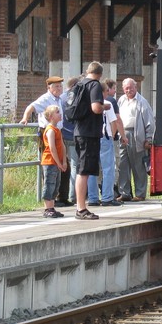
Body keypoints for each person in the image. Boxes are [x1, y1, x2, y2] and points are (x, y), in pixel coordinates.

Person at [19, 76, 70, 207]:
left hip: (58, 131)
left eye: (60, 86)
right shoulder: (45, 98)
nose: (59, 89)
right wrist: (25, 118)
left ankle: (61, 197)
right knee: (50, 165)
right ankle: (50, 200)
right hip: (47, 131)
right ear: (49, 88)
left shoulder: (59, 99)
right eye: (56, 86)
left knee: (65, 165)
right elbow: (31, 106)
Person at [73, 62, 105, 220]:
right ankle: (81, 209)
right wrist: (105, 106)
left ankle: (81, 206)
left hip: (79, 131)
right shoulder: (95, 85)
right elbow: (96, 108)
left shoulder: (80, 84)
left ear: (88, 71)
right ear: (100, 74)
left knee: (82, 169)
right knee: (83, 171)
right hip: (89, 133)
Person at [87, 82, 126, 207]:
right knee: (108, 168)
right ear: (104, 92)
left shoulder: (89, 104)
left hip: (91, 137)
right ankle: (107, 197)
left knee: (92, 169)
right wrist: (112, 136)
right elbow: (113, 122)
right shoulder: (107, 104)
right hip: (104, 137)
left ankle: (92, 198)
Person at [118, 77, 155, 202]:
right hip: (123, 133)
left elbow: (150, 121)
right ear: (123, 89)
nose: (129, 90)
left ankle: (140, 193)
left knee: (138, 165)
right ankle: (124, 193)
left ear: (136, 87)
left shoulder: (142, 102)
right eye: (126, 88)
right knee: (123, 164)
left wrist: (148, 138)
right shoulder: (121, 100)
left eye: (131, 87)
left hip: (136, 134)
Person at [40, 105, 67, 218]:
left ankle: (52, 206)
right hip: (50, 162)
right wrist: (58, 162)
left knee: (56, 184)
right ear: (51, 116)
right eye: (57, 112)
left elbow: (62, 145)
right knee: (49, 184)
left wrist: (64, 161)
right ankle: (48, 208)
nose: (60, 114)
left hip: (57, 162)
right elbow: (52, 148)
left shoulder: (57, 130)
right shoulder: (50, 130)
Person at [59, 76, 80, 205]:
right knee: (74, 166)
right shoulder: (74, 97)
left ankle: (64, 194)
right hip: (73, 135)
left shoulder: (60, 98)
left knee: (64, 165)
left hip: (62, 135)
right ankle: (73, 196)